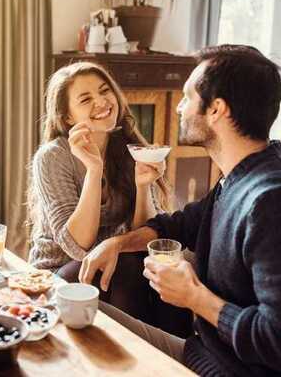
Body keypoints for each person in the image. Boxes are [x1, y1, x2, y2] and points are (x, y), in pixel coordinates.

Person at [79, 45, 281, 376]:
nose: (180, 108)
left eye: (187, 97)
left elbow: (274, 338)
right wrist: (117, 243)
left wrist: (195, 298)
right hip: (199, 351)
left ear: (216, 109)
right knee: (78, 309)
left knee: (86, 336)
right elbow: (181, 224)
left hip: (219, 369)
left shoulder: (268, 201)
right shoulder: (240, 176)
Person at [27, 61, 177, 323]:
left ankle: (173, 356)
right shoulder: (52, 157)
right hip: (58, 270)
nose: (102, 102)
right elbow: (77, 246)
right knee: (128, 270)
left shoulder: (128, 148)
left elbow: (144, 233)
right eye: (86, 99)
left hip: (115, 261)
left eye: (105, 91)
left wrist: (143, 186)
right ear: (68, 117)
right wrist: (94, 170)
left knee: (161, 273)